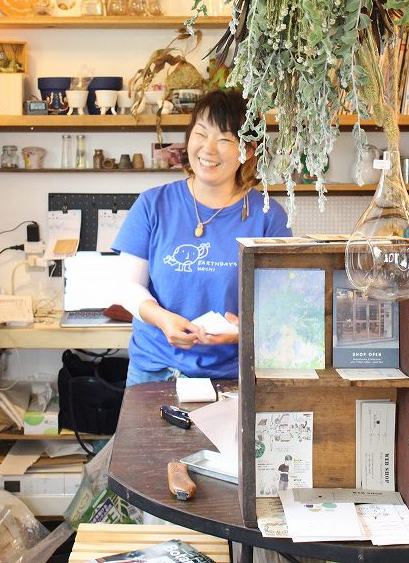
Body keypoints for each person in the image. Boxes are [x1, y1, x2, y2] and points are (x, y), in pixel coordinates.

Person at [111, 88, 291, 386]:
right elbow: (128, 285)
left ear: (247, 150)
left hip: (233, 376)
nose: (208, 149)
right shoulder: (153, 205)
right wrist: (161, 318)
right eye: (201, 133)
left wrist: (245, 331)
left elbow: (283, 303)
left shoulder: (268, 215)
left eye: (224, 139)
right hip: (155, 371)